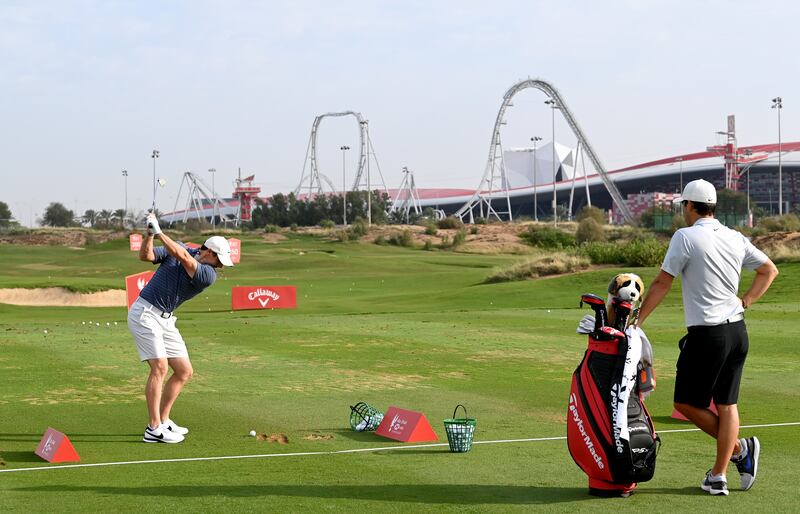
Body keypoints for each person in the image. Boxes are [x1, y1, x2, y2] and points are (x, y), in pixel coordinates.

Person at [636, 179, 778, 495]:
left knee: (685, 402)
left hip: (709, 335)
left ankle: (739, 451)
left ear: (689, 205)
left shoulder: (685, 237)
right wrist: (747, 301)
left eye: (682, 206)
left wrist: (637, 321)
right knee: (727, 404)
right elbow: (769, 270)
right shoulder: (734, 236)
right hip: (737, 331)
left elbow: (661, 283)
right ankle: (719, 475)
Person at [127, 212, 234, 443]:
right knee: (160, 369)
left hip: (165, 319)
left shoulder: (207, 274)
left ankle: (164, 420)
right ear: (209, 252)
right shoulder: (181, 248)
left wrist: (159, 232)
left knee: (184, 371)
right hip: (145, 313)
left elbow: (182, 256)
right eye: (219, 260)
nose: (221, 266)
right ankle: (153, 428)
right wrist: (149, 235)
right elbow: (146, 256)